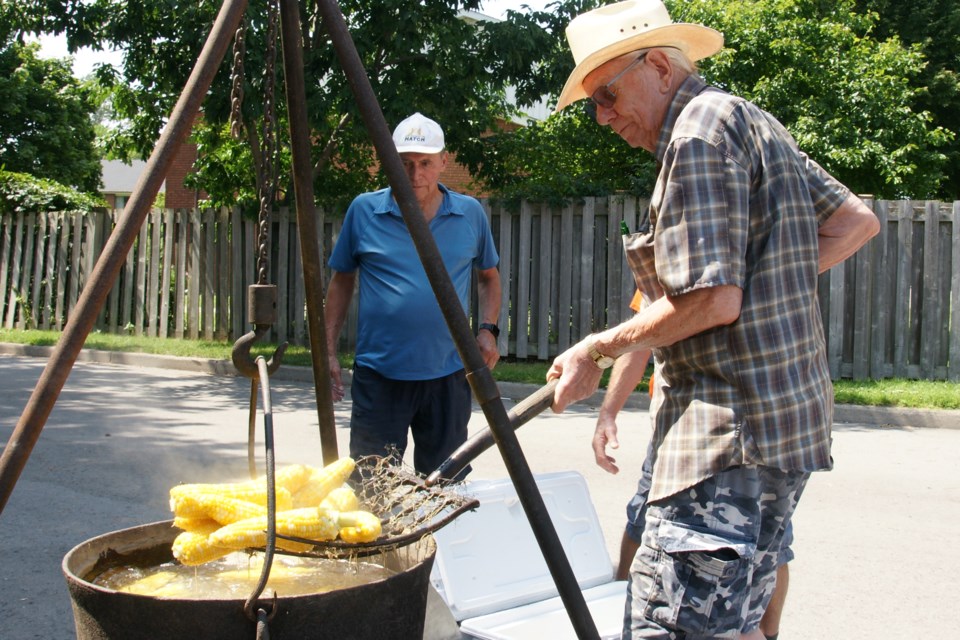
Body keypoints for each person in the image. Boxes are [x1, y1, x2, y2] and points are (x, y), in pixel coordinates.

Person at [547, 1, 880, 638]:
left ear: (658, 67)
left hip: (725, 440)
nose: (603, 115)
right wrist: (763, 285)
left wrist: (600, 346)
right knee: (737, 626)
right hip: (784, 432)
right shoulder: (747, 119)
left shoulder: (695, 136)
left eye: (609, 94)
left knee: (667, 627)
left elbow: (712, 300)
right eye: (594, 101)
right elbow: (853, 222)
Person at [597, 292, 790, 640]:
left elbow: (714, 304)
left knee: (767, 545)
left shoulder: (696, 247)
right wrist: (609, 411)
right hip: (730, 428)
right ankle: (620, 607)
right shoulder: (780, 253)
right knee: (767, 543)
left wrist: (597, 351)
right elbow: (642, 337)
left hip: (705, 434)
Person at [323, 112, 502, 478]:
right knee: (371, 486)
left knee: (446, 486)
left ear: (443, 162)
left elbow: (489, 277)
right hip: (380, 374)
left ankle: (438, 538)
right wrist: (327, 350)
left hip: (449, 374)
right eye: (404, 164)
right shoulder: (365, 210)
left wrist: (488, 329)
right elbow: (341, 281)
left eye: (424, 163)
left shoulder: (469, 214)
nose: (415, 175)